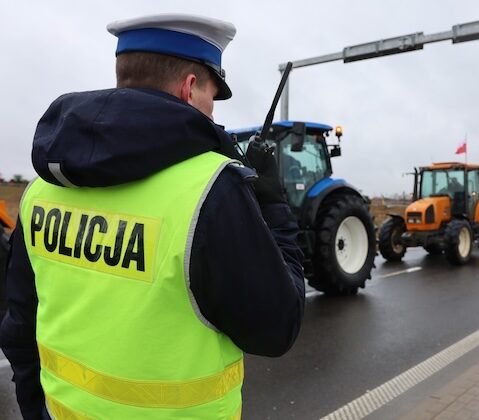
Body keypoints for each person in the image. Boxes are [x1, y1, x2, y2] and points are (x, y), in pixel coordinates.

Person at [0, 14, 304, 419]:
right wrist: (276, 209)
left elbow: (19, 326)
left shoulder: (41, 190)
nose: (212, 114)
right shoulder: (210, 191)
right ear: (190, 87)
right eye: (212, 96)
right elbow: (277, 328)